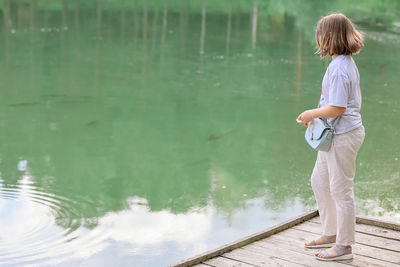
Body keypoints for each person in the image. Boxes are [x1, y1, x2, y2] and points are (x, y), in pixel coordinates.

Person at [296, 13, 365, 261]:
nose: (318, 40)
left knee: (341, 190)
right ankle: (331, 232)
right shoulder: (340, 63)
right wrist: (315, 118)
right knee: (319, 181)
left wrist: (310, 113)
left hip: (343, 136)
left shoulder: (339, 69)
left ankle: (344, 247)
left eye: (320, 35)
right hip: (334, 135)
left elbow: (337, 107)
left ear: (329, 37)